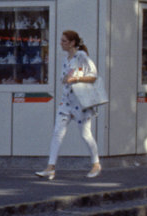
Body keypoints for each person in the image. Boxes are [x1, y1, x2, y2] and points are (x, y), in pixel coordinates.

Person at [35, 30, 102, 180]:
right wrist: (66, 79)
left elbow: (93, 76)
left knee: (85, 134)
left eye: (64, 41)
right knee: (57, 133)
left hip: (81, 102)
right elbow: (64, 78)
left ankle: (96, 164)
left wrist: (75, 79)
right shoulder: (66, 59)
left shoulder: (82, 56)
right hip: (66, 102)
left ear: (72, 43)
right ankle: (50, 167)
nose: (61, 43)